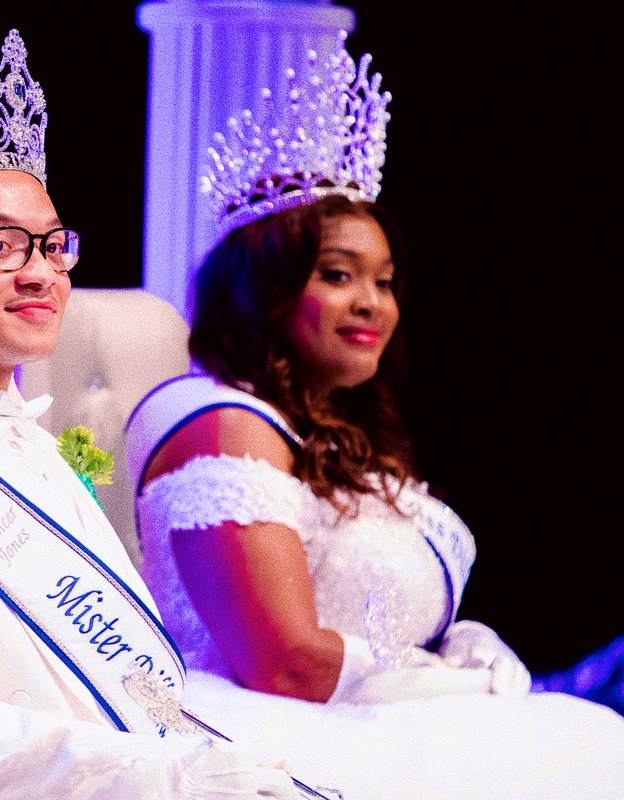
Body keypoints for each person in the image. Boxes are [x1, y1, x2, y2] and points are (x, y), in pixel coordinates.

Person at [0, 29, 306, 800]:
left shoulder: (31, 439)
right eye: (0, 245)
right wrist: (159, 774)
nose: (41, 274)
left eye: (53, 246)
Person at [124, 34, 624, 800]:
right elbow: (280, 662)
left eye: (384, 281)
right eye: (336, 275)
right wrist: (447, 686)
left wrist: (459, 649)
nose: (371, 303)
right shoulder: (221, 421)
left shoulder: (339, 432)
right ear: (261, 289)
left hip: (373, 719)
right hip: (262, 730)